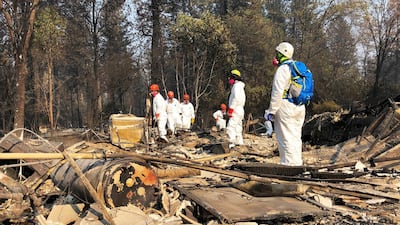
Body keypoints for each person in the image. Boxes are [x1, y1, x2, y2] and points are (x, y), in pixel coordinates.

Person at [266, 42, 305, 166]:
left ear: (281, 53)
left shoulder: (283, 69)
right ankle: (297, 163)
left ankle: (288, 166)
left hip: (286, 107)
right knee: (295, 137)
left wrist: (271, 111)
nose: (275, 56)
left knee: (285, 138)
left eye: (277, 53)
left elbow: (277, 92)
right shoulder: (297, 68)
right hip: (299, 107)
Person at [226, 69, 246, 149]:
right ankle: (239, 142)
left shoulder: (236, 86)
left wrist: (231, 109)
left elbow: (236, 98)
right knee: (238, 126)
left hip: (236, 109)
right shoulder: (241, 86)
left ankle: (231, 144)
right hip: (240, 109)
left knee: (231, 126)